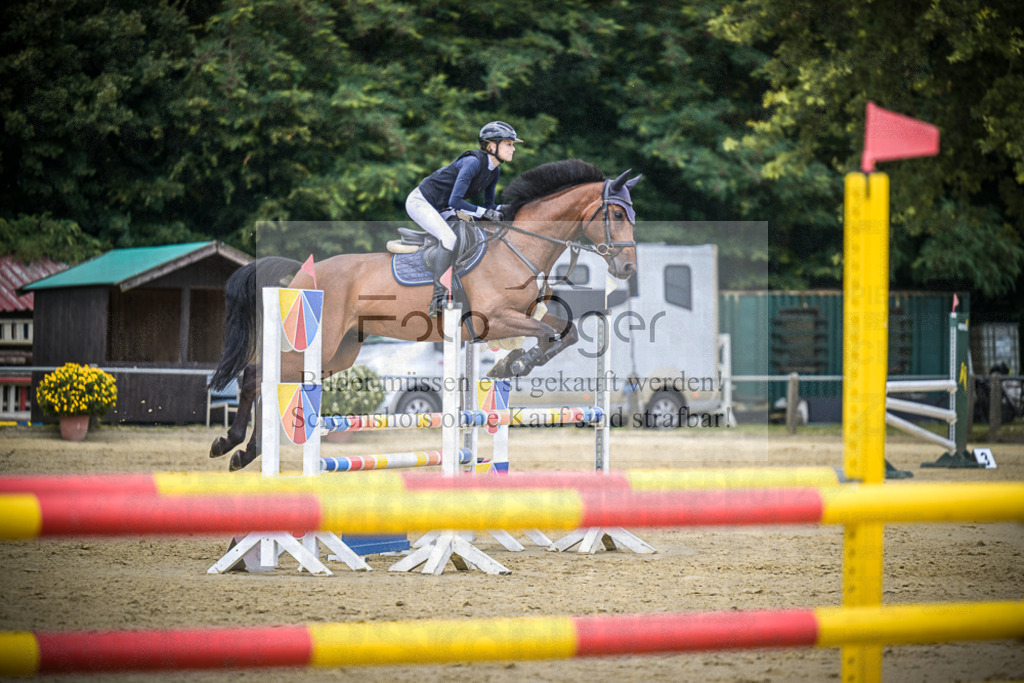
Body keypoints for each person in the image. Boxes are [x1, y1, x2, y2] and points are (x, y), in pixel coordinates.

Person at [405, 121, 522, 315]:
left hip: (443, 206)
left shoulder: (495, 171)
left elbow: (490, 206)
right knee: (449, 238)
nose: (513, 148)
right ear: (492, 146)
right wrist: (484, 212)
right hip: (421, 202)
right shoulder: (473, 162)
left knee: (470, 233)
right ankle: (438, 297)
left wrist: (514, 209)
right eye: (509, 144)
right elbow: (457, 200)